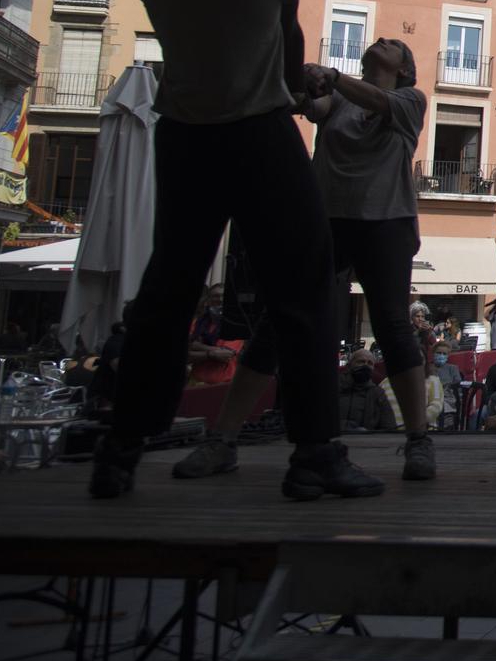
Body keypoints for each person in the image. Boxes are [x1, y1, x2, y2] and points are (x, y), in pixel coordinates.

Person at [92, 0, 380, 503]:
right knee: (305, 290)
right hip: (257, 133)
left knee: (167, 291)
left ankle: (120, 448)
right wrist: (308, 90)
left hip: (184, 137)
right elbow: (285, 59)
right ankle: (314, 454)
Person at [177, 38, 437, 482]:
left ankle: (418, 441)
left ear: (406, 68)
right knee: (277, 322)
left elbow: (370, 97)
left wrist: (331, 77)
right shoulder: (336, 97)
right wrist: (305, 79)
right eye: (380, 39)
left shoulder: (410, 99)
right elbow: (305, 103)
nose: (384, 41)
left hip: (386, 221)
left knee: (394, 326)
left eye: (394, 44)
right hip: (325, 219)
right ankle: (223, 440)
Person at [338, 350, 397, 433]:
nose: (365, 366)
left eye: (370, 363)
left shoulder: (378, 394)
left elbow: (389, 428)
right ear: (349, 365)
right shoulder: (333, 387)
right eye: (361, 362)